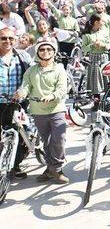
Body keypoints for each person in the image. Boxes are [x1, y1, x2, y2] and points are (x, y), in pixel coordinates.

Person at [14, 38, 68, 183]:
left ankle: (56, 169)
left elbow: (62, 89)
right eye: (42, 49)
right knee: (47, 141)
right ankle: (51, 169)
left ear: (54, 52)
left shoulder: (59, 69)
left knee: (59, 140)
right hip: (38, 111)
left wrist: (52, 96)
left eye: (49, 49)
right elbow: (25, 86)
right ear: (38, 52)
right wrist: (21, 93)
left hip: (57, 109)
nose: (45, 52)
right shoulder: (31, 70)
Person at [0, 26, 32, 178]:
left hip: (17, 103)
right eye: (3, 38)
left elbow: (33, 73)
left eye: (10, 38)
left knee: (19, 134)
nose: (7, 41)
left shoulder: (23, 56)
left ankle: (14, 165)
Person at [82, 14, 110, 97]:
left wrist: (103, 45)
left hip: (104, 57)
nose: (103, 22)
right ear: (96, 22)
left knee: (107, 80)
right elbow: (83, 48)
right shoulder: (87, 34)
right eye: (101, 21)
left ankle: (107, 101)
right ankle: (96, 102)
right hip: (94, 58)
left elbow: (109, 44)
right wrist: (92, 45)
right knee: (96, 82)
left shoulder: (104, 31)